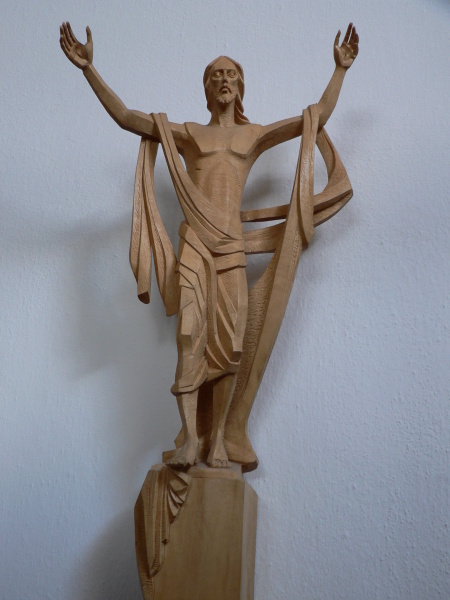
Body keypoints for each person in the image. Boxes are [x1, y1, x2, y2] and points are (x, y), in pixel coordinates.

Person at [60, 22, 358, 468]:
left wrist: (340, 70)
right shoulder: (187, 134)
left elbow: (316, 116)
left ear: (240, 87)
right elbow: (126, 117)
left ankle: (217, 440)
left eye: (231, 74)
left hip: (231, 249)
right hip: (195, 246)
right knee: (188, 339)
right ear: (207, 88)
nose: (224, 80)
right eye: (216, 75)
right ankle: (190, 441)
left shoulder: (253, 135)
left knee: (230, 346)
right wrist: (89, 69)